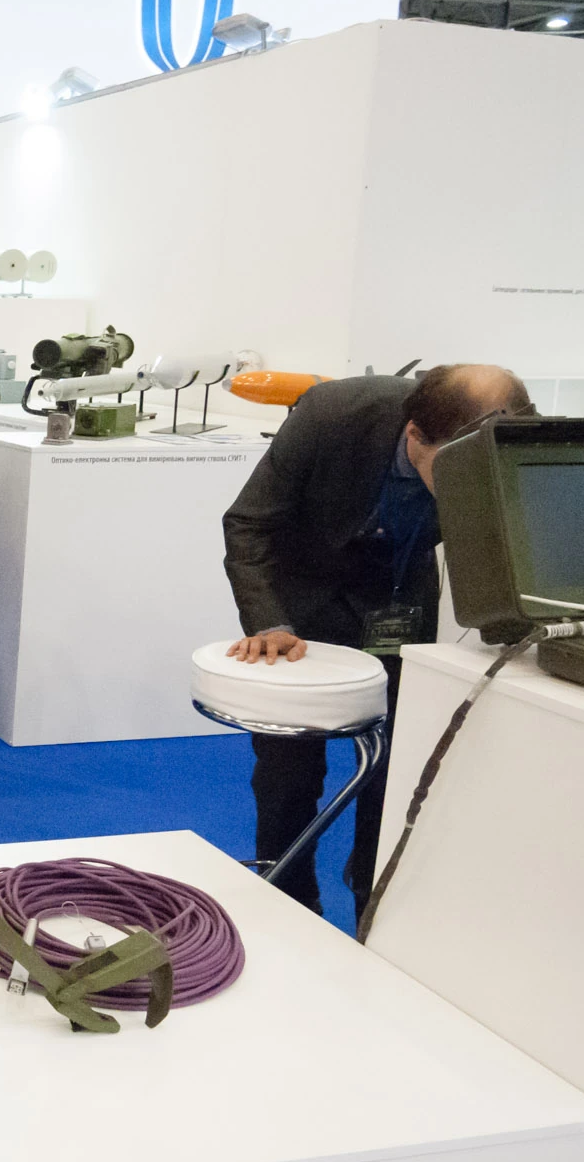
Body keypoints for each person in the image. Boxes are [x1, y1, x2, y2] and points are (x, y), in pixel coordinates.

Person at [221, 363, 532, 915]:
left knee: (397, 764)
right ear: (415, 436)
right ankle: (288, 899)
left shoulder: (504, 439)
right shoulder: (330, 416)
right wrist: (270, 623)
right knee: (289, 774)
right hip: (302, 602)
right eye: (458, 472)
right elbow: (250, 523)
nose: (475, 488)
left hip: (399, 599)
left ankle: (374, 901)